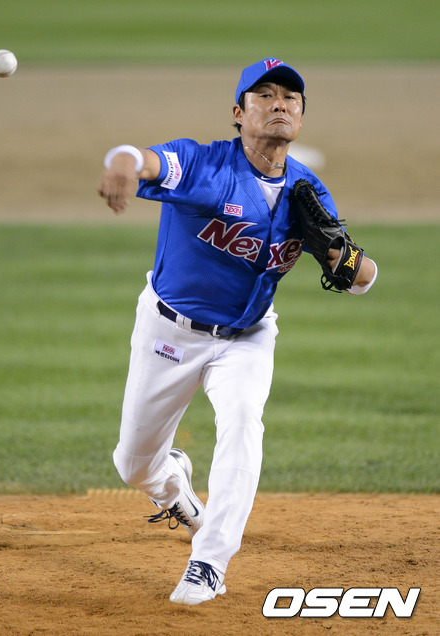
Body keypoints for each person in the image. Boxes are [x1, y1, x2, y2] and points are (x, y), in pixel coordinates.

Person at [96, 57, 377, 606]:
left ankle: (210, 561)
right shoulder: (204, 165)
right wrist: (122, 162)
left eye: (290, 98)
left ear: (301, 117)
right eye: (265, 95)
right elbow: (143, 158)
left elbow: (363, 280)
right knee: (133, 464)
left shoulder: (307, 190)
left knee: (244, 420)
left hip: (249, 335)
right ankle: (174, 488)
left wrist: (338, 255)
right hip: (170, 331)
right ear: (239, 112)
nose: (280, 104)